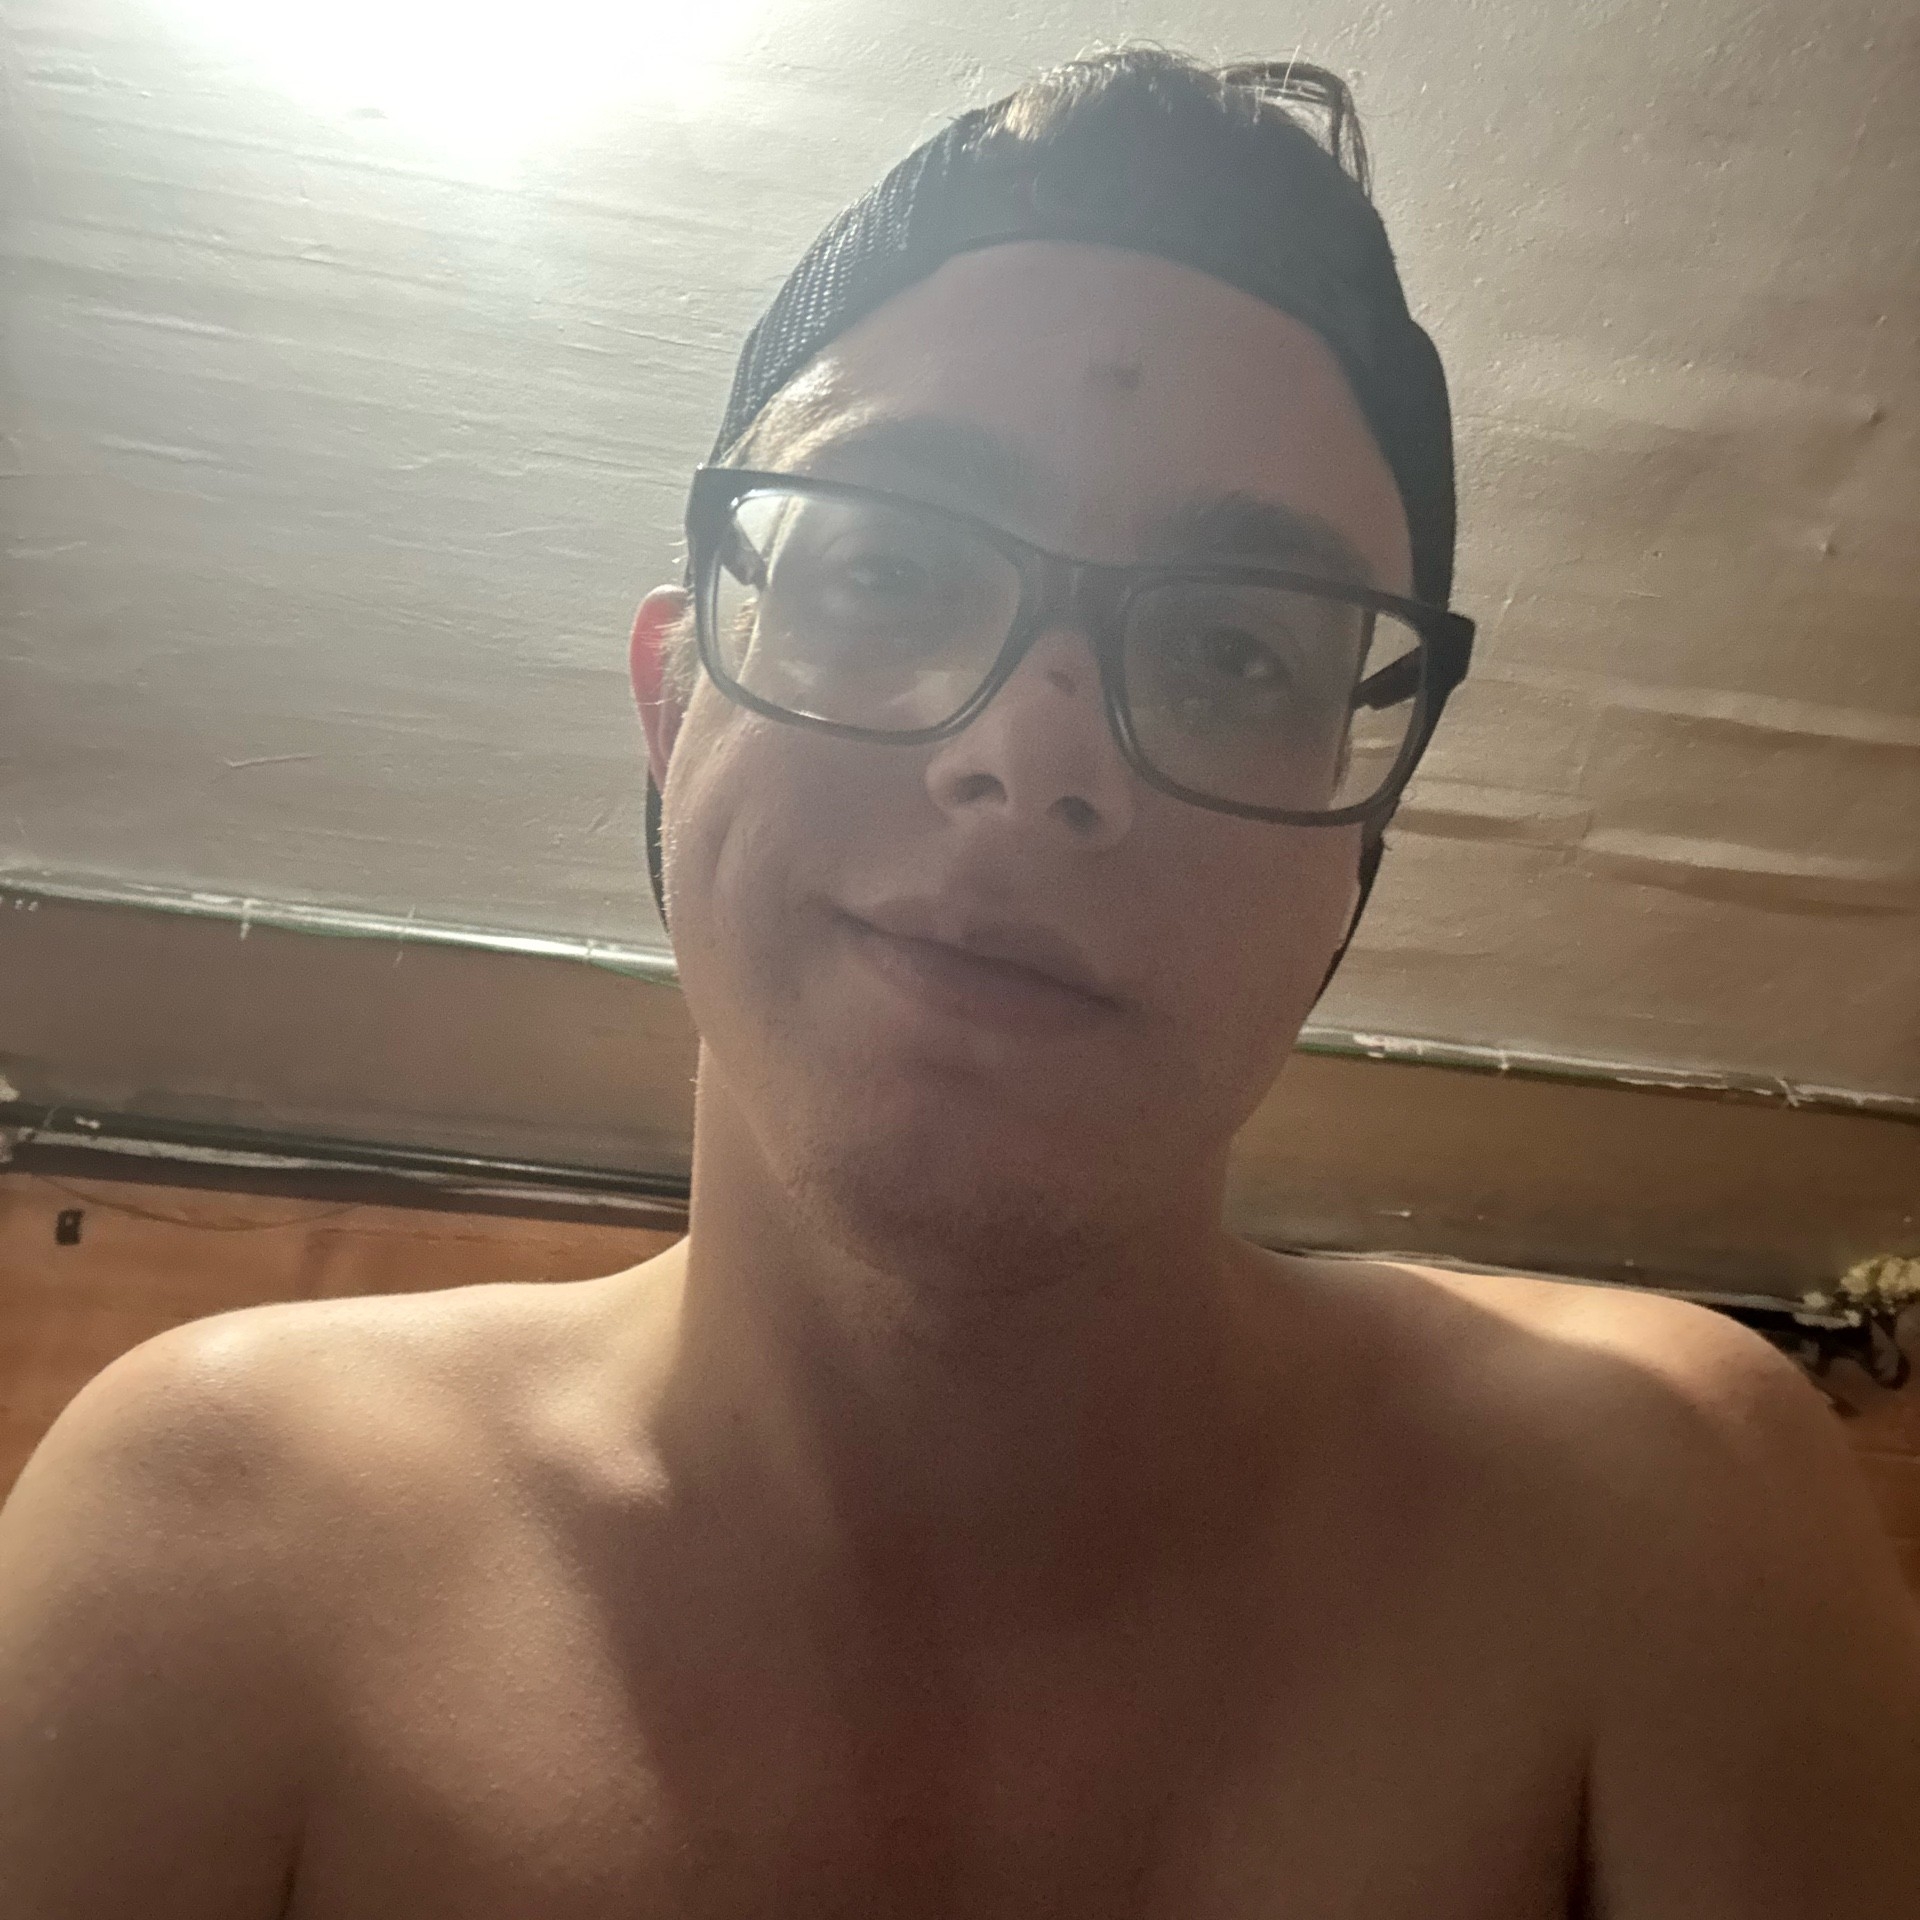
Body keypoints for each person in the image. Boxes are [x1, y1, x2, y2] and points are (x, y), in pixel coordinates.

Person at [2, 46, 1916, 1920]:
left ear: (1355, 858)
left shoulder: (1663, 1525)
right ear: (674, 704)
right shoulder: (216, 1539)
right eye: (891, 569)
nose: (1036, 755)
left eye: (1238, 655)